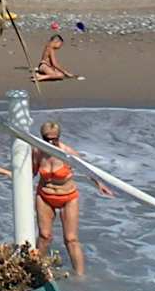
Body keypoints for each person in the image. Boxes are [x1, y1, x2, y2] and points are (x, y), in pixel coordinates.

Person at [33, 119, 111, 278]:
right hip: (45, 196)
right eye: (47, 139)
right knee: (45, 236)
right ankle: (35, 271)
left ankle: (80, 277)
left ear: (59, 137)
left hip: (67, 197)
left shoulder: (67, 153)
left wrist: (99, 184)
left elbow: (87, 170)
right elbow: (31, 172)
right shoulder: (38, 151)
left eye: (54, 139)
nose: (51, 142)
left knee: (71, 239)